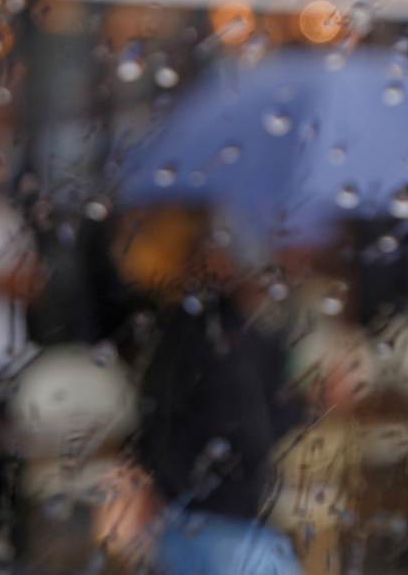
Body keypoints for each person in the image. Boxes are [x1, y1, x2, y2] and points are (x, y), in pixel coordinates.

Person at [108, 203, 304, 575]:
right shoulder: (209, 337)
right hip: (215, 524)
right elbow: (249, 431)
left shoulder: (203, 332)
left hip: (202, 519)